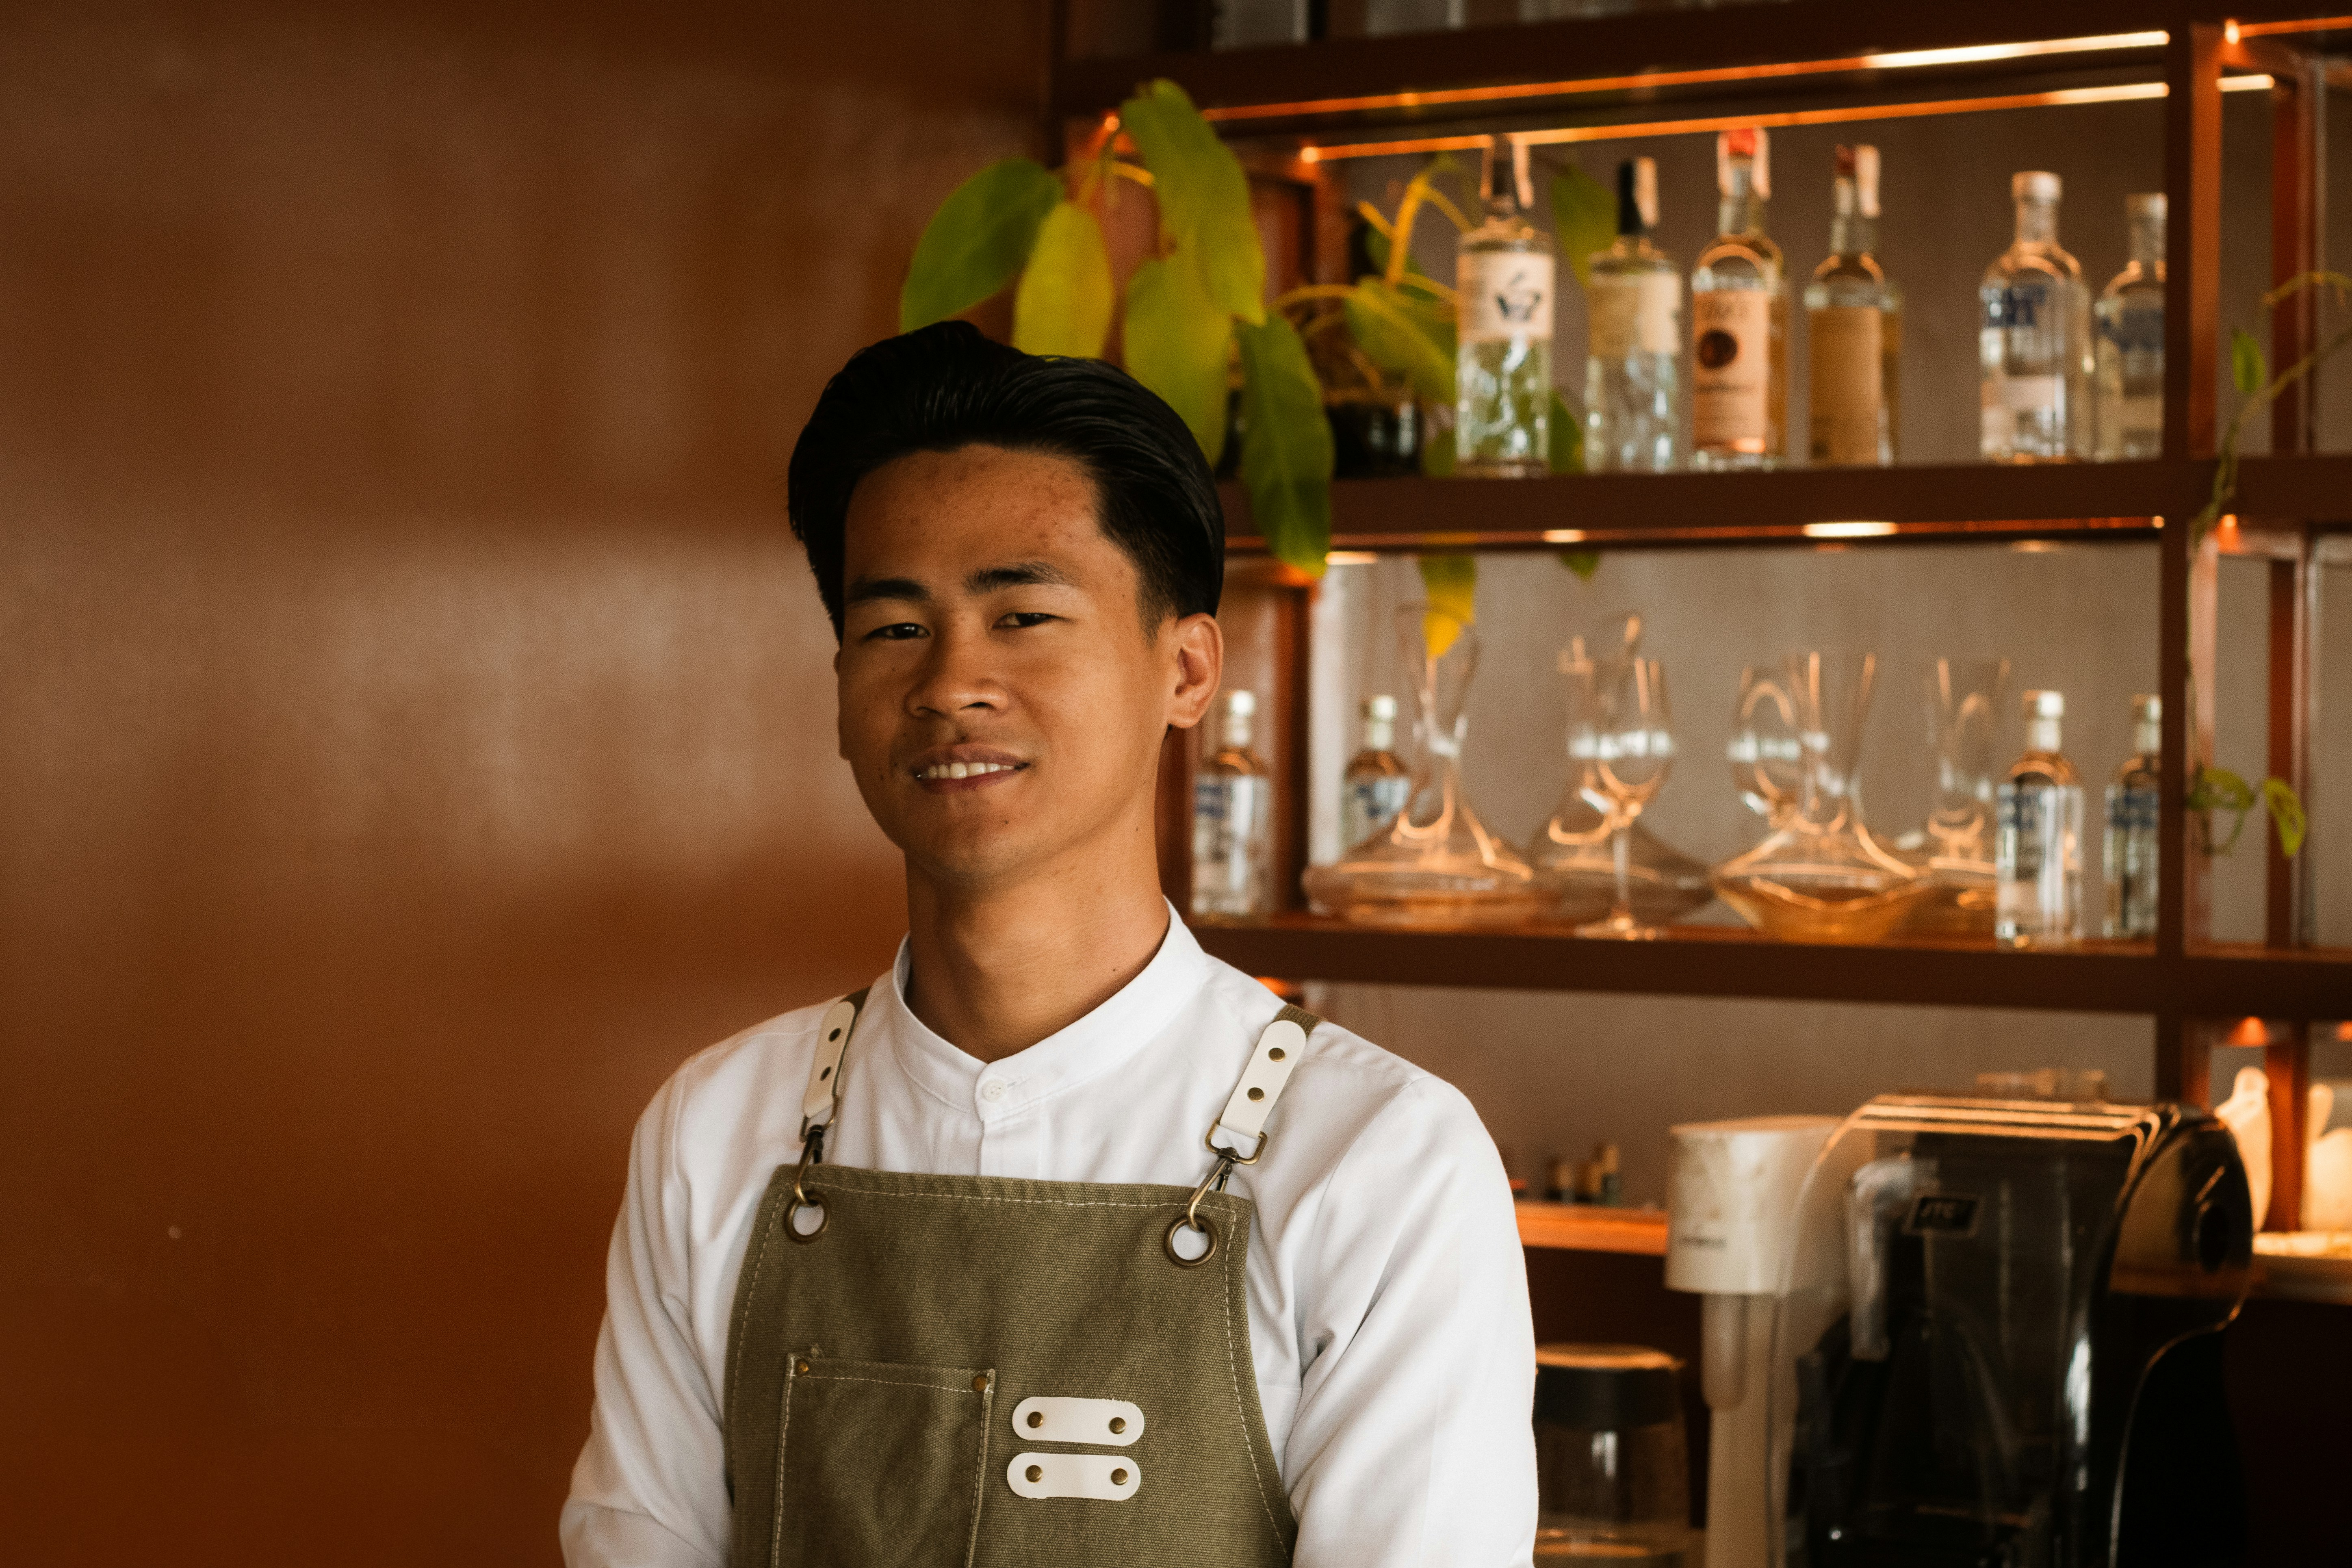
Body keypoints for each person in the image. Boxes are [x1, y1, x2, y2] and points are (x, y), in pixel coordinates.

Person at [561, 322, 1537, 1567]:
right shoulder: (714, 1130)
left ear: (1187, 669)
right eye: (895, 628)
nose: (950, 683)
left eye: (1022, 614)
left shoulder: (1379, 1159)